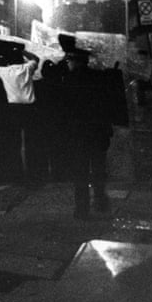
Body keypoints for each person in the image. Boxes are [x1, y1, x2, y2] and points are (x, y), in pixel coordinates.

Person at [58, 47, 113, 219]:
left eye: (69, 61)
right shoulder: (99, 78)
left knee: (80, 171)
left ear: (74, 61)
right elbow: (106, 104)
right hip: (98, 131)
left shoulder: (68, 80)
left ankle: (82, 209)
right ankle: (100, 201)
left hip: (78, 133)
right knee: (99, 168)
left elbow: (64, 109)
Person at [0, 48, 40, 184]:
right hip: (30, 108)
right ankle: (33, 174)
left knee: (14, 141)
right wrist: (23, 51)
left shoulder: (4, 71)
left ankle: (16, 174)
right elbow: (36, 59)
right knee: (31, 143)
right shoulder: (27, 68)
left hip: (13, 108)